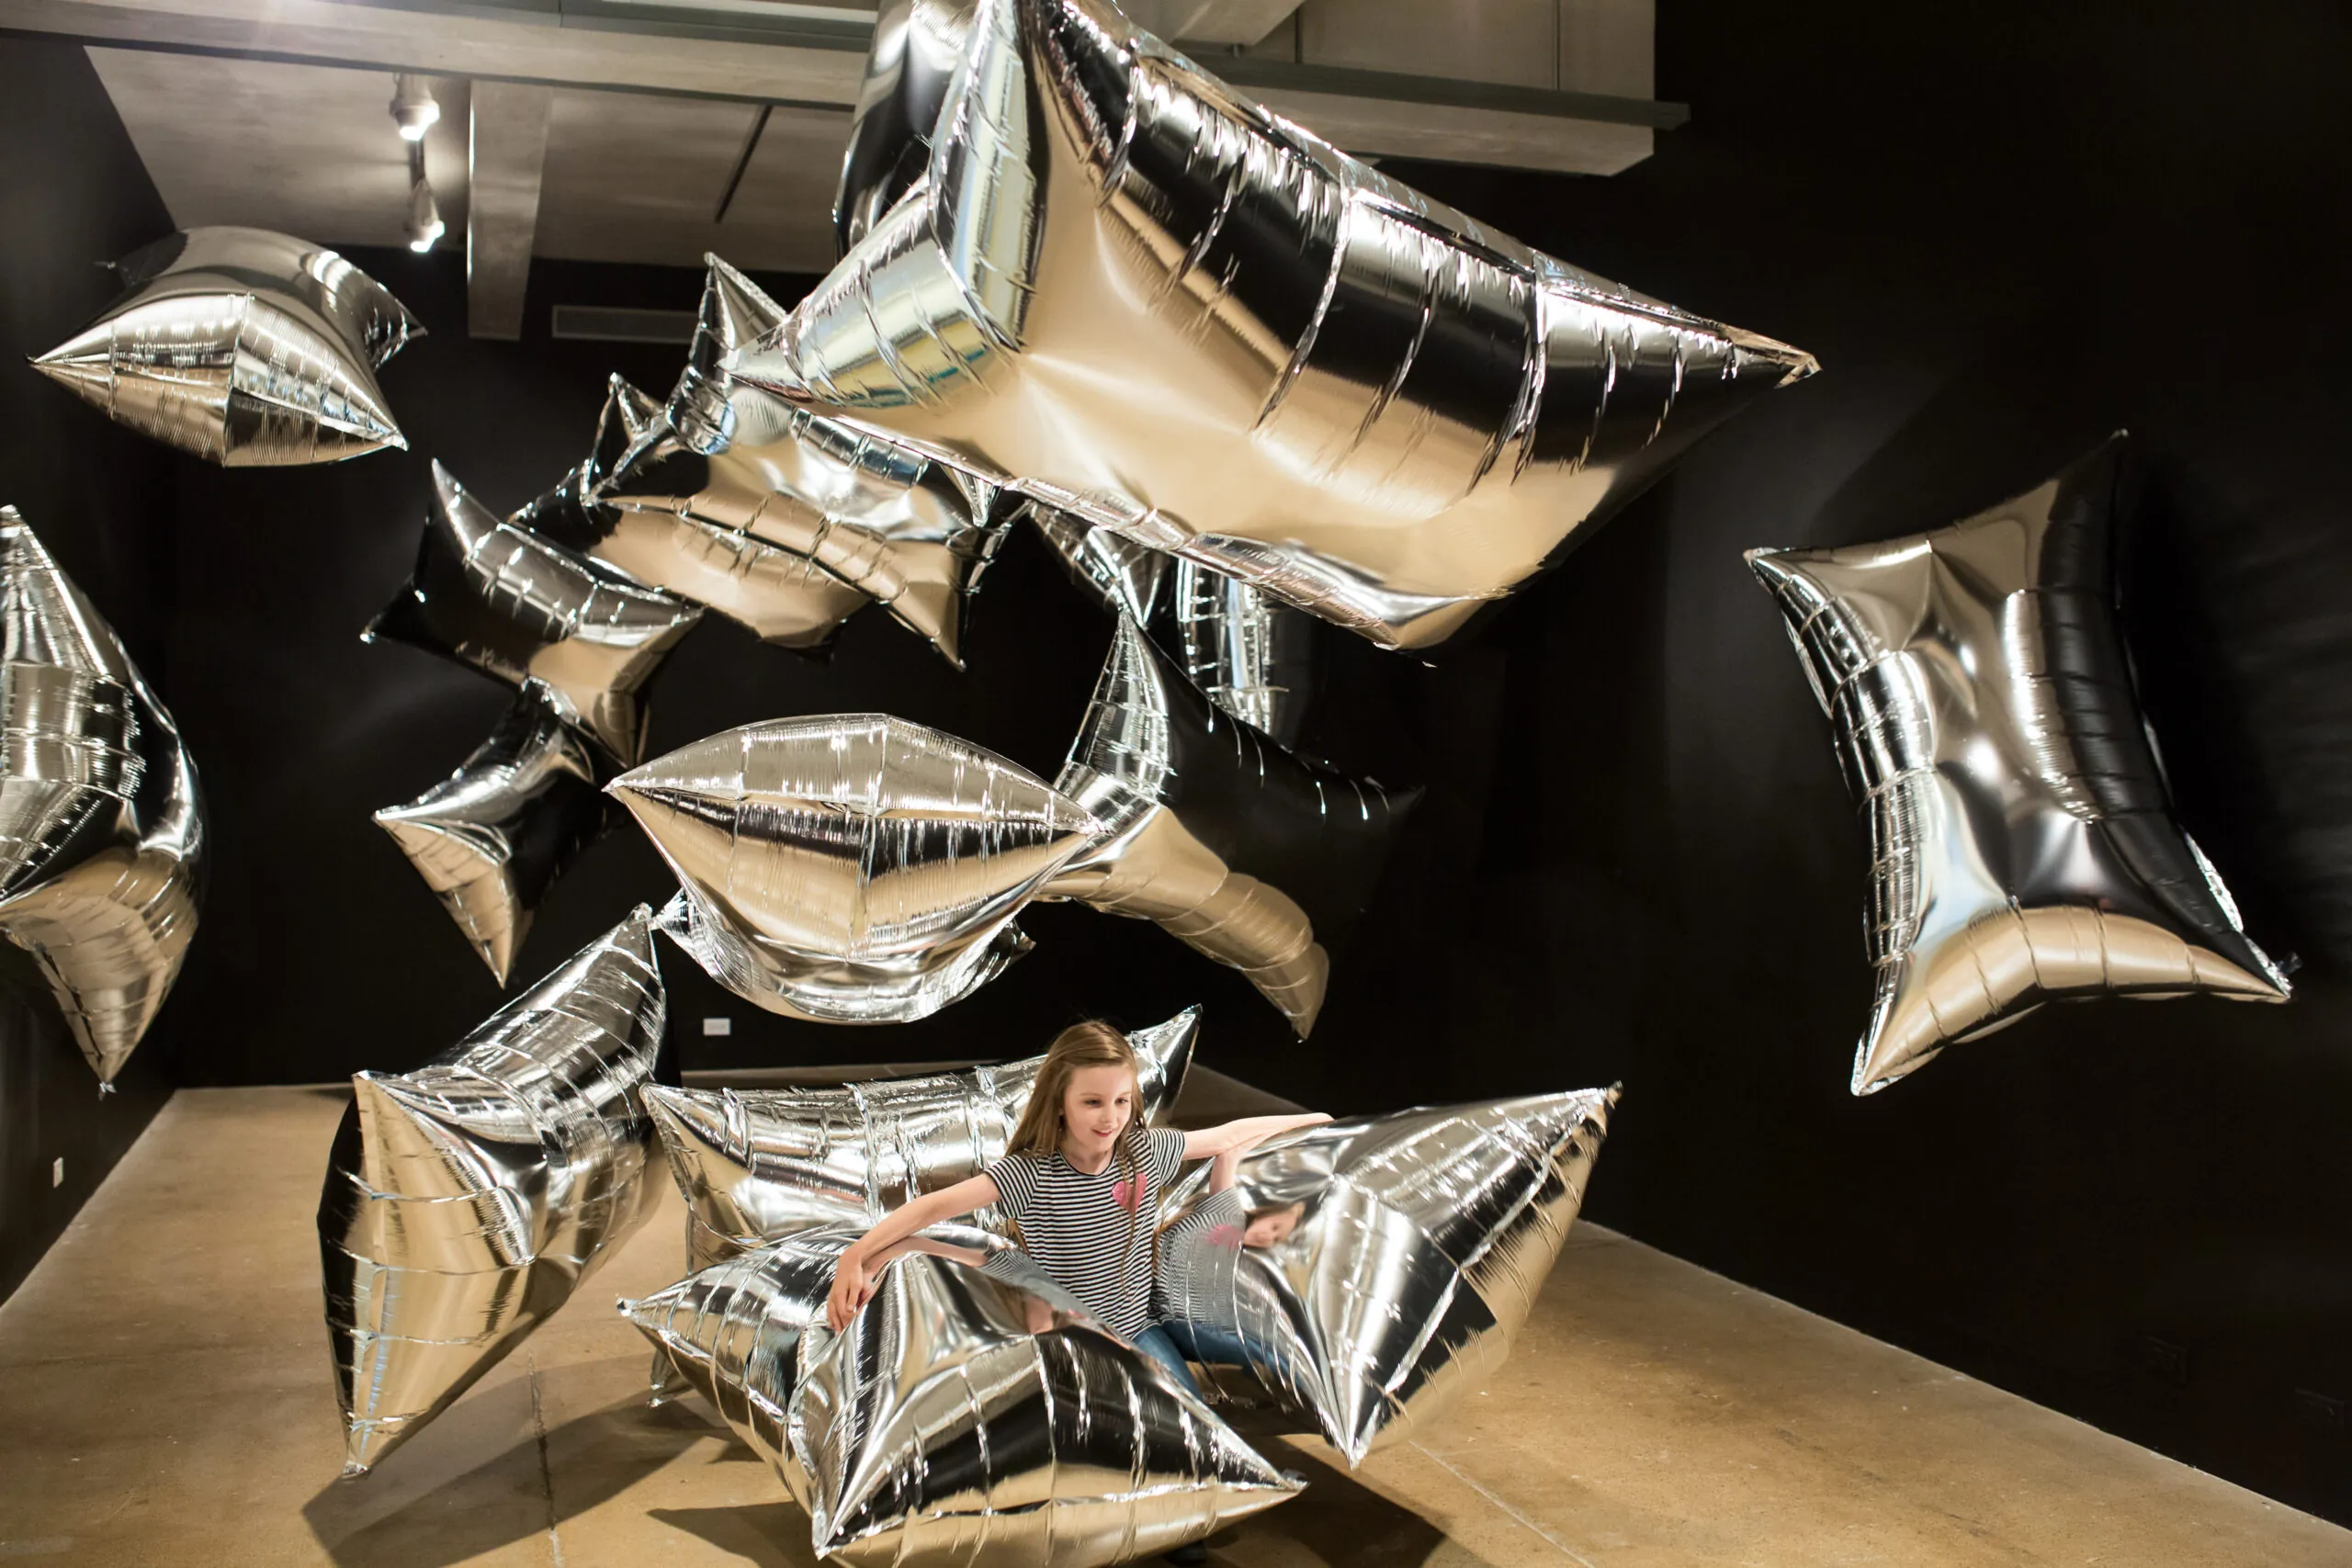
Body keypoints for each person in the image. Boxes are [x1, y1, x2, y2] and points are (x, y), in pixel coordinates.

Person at [823, 1019, 1330, 1391]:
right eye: (1092, 1102)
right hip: (1085, 1337)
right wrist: (856, 1255)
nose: (1109, 1117)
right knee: (1184, 1408)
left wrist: (1319, 1122)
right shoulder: (1031, 1173)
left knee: (1281, 1352)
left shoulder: (1144, 1150)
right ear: (1060, 1101)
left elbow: (1227, 1136)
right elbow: (929, 1209)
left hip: (1146, 1317)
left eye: (1121, 1101)